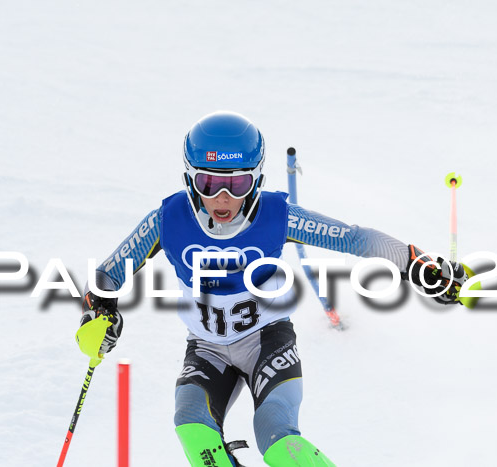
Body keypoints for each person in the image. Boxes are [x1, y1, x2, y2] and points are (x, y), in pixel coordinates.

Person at [77, 111, 467, 466]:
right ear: (190, 178)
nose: (222, 198)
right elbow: (107, 277)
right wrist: (99, 315)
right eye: (208, 182)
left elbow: (353, 238)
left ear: (257, 179)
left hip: (268, 341)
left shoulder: (276, 216)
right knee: (192, 429)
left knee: (277, 441)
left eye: (238, 183)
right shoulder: (168, 220)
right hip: (207, 348)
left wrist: (415, 262)